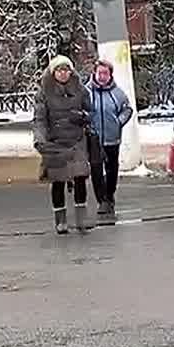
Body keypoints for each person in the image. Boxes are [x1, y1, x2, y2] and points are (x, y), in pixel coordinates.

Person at [34, 56, 94, 234]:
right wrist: (40, 139)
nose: (63, 73)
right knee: (58, 180)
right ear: (53, 72)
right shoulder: (44, 92)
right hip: (56, 142)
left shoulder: (80, 89)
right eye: (59, 70)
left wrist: (83, 116)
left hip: (77, 140)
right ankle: (60, 220)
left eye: (66, 69)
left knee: (80, 177)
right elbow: (39, 119)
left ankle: (81, 218)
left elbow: (91, 112)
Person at [87, 59, 133, 223]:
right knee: (96, 169)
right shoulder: (87, 92)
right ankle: (102, 200)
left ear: (110, 75)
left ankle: (109, 194)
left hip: (113, 137)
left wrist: (119, 121)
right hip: (94, 138)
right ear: (94, 73)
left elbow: (128, 109)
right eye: (99, 73)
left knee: (112, 169)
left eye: (105, 73)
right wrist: (88, 125)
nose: (102, 76)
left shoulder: (117, 93)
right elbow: (81, 110)